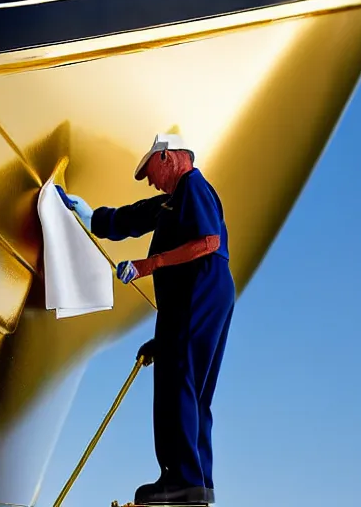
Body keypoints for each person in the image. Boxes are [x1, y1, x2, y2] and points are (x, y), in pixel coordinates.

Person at [56, 134, 235, 505]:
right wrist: (91, 216)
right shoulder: (173, 202)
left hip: (199, 290)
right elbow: (136, 216)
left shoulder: (193, 186)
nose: (150, 181)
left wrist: (146, 266)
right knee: (194, 391)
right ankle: (199, 485)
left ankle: (182, 481)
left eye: (150, 171)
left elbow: (209, 241)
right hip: (202, 297)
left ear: (168, 157)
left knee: (178, 384)